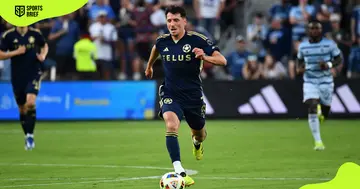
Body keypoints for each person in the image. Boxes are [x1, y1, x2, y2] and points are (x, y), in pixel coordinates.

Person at [144, 6, 227, 186]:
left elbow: (222, 60)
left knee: (200, 134)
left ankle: (196, 143)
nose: (172, 24)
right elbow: (155, 49)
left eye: (175, 20)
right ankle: (180, 172)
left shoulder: (198, 40)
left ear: (184, 22)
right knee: (171, 124)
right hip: (170, 92)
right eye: (169, 21)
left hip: (193, 96)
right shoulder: (162, 41)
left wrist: (204, 56)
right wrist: (149, 65)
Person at [0, 26, 48, 150]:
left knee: (30, 102)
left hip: (33, 72)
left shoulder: (35, 33)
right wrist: (16, 52)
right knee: (22, 108)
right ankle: (27, 135)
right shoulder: (8, 36)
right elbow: (0, 54)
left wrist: (43, 55)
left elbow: (44, 45)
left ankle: (31, 136)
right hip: (17, 76)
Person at [296, 20, 342, 151]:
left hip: (326, 81)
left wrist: (328, 65)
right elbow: (299, 60)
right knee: (312, 105)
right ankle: (318, 142)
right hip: (310, 80)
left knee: (325, 111)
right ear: (308, 31)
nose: (314, 31)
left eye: (317, 28)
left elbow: (339, 59)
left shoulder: (329, 44)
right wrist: (299, 68)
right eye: (312, 28)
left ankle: (323, 115)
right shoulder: (303, 46)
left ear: (321, 30)